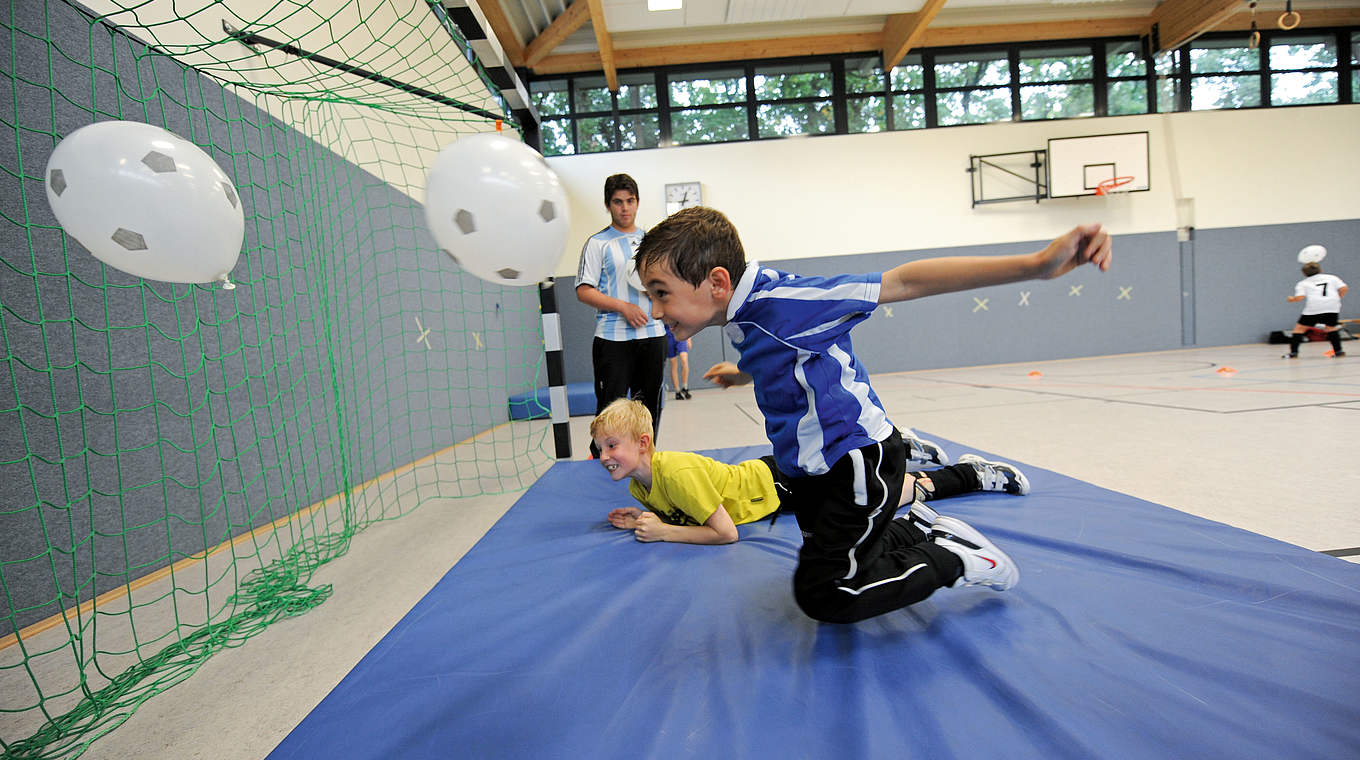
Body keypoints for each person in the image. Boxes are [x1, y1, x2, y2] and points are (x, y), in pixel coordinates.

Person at [634, 206, 1111, 623]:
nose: (655, 310)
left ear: (717, 282)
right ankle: (923, 527)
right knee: (836, 556)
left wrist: (1035, 265)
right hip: (809, 465)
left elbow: (903, 281)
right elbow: (783, 349)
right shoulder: (749, 305)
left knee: (829, 594)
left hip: (856, 458)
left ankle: (958, 559)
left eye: (661, 292)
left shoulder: (789, 305)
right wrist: (745, 372)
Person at [591, 398, 1031, 546]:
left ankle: (970, 474)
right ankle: (901, 446)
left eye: (612, 446)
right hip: (772, 481)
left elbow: (726, 534)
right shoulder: (640, 484)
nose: (605, 455)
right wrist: (651, 519)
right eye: (600, 448)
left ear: (644, 444)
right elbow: (689, 512)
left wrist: (666, 533)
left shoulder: (677, 472)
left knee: (889, 495)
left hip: (782, 486)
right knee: (860, 480)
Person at [576, 173, 667, 457]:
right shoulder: (597, 243)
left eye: (630, 201)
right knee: (610, 406)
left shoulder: (652, 241)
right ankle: (602, 458)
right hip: (612, 338)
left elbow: (666, 284)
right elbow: (584, 290)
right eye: (618, 202)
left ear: (637, 203)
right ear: (608, 205)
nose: (624, 208)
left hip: (653, 336)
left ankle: (645, 456)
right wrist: (623, 306)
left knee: (648, 404)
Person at [1285, 261, 1347, 359]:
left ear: (1304, 273)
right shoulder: (1332, 278)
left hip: (1314, 307)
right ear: (1320, 270)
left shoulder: (1303, 283)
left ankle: (1293, 353)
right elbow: (1343, 288)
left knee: (1299, 329)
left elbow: (1300, 297)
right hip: (1332, 306)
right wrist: (1337, 298)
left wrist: (1292, 299)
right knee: (1331, 328)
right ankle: (1338, 351)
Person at [666, 327, 692, 400]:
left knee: (684, 360)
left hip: (681, 334)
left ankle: (685, 387)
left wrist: (689, 338)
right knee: (673, 363)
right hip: (668, 336)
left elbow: (686, 321)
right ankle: (677, 391)